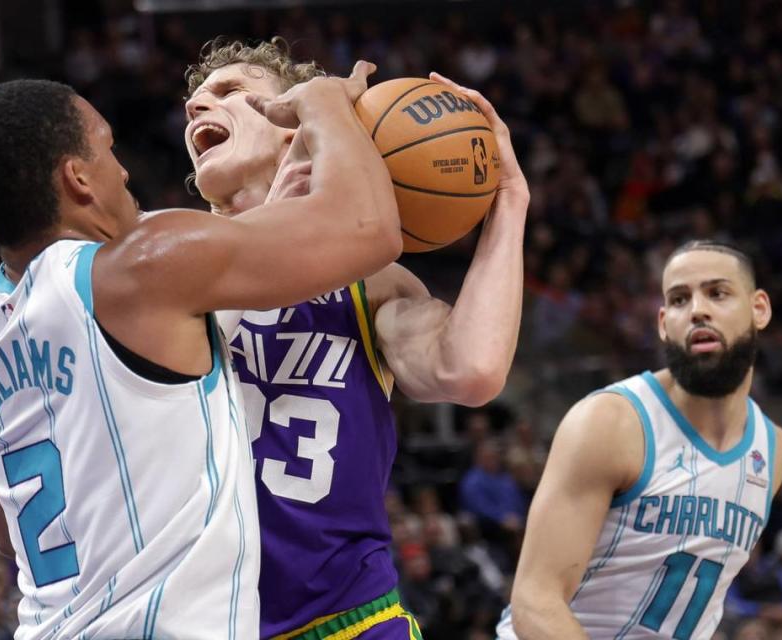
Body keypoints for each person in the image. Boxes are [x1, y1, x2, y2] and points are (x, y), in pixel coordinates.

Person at [0, 66, 401, 639]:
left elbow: (10, 537)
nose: (125, 170)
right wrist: (326, 103)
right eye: (109, 149)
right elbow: (370, 229)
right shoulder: (141, 266)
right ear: (79, 179)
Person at [183, 38, 529, 639]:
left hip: (349, 620)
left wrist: (510, 204)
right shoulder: (158, 257)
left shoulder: (368, 282)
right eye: (194, 101)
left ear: (296, 123)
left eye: (232, 92)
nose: (198, 107)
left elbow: (469, 369)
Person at [497, 241, 782, 640]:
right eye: (680, 299)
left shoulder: (773, 450)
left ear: (759, 309)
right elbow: (534, 601)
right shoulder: (610, 422)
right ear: (662, 322)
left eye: (717, 293)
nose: (698, 310)